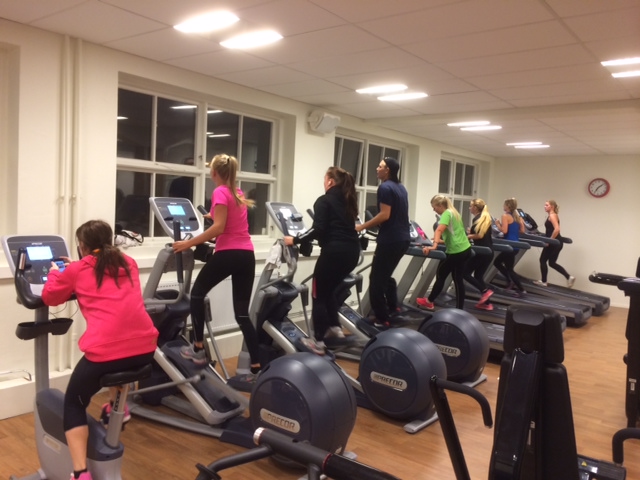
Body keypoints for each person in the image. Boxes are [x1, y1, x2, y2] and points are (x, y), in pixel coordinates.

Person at [42, 220, 158, 480]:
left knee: (73, 402)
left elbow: (50, 297)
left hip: (106, 351)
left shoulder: (77, 270)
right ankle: (118, 409)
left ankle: (80, 473)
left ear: (82, 246)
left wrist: (56, 273)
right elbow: (101, 270)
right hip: (145, 347)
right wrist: (76, 266)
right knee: (121, 359)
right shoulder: (129, 263)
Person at [173, 154, 261, 377]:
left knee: (196, 294)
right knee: (242, 315)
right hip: (246, 255)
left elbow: (220, 228)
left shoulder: (220, 192)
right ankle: (256, 367)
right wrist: (210, 215)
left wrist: (188, 243)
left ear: (214, 173)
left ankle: (198, 349)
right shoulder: (237, 192)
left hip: (229, 253)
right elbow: (228, 219)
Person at [284, 167, 361, 354]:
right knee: (330, 291)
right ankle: (335, 329)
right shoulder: (348, 200)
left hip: (334, 253)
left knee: (318, 294)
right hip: (352, 252)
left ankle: (318, 342)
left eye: (325, 179)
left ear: (330, 182)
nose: (324, 182)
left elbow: (318, 229)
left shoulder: (324, 200)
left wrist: (295, 240)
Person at [355, 157, 410, 328]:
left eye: (380, 166)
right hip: (403, 239)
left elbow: (385, 215)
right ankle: (394, 308)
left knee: (376, 280)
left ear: (388, 170)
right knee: (385, 277)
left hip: (390, 239)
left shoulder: (385, 187)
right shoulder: (401, 187)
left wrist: (361, 226)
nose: (377, 169)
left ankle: (381, 318)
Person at [416, 195, 472, 311]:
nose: (434, 210)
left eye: (434, 207)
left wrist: (434, 245)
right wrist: (441, 241)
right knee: (458, 279)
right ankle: (460, 309)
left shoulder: (446, 213)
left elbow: (439, 230)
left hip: (456, 251)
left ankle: (429, 302)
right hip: (465, 249)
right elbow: (455, 233)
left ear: (441, 205)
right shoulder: (455, 212)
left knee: (441, 275)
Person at [534, 199, 575, 288]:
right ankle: (569, 277)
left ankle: (544, 282)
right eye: (544, 205)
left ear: (552, 206)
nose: (544, 207)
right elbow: (551, 230)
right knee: (552, 263)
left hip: (554, 243)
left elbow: (557, 229)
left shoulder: (552, 216)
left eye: (546, 205)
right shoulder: (553, 215)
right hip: (557, 242)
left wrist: (550, 240)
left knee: (542, 260)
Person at [464, 199, 495, 310]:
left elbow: (480, 236)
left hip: (481, 252)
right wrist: (471, 233)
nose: (469, 208)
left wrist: (468, 236)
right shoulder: (486, 217)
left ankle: (485, 291)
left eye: (470, 206)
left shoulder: (477, 218)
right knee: (478, 276)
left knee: (464, 273)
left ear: (475, 208)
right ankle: (487, 304)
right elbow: (482, 234)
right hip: (489, 252)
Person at [493, 197, 526, 296]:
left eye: (504, 204)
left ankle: (519, 287)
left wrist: (497, 224)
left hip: (508, 246)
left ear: (507, 206)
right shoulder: (518, 217)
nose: (503, 206)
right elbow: (522, 231)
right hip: (516, 246)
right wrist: (513, 231)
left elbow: (504, 231)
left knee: (498, 263)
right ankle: (511, 282)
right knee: (508, 267)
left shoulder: (505, 216)